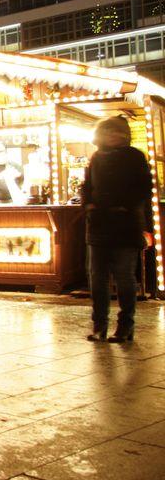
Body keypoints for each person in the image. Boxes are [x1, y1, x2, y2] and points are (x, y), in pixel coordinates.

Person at [82, 116, 152, 343]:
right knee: (97, 279)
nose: (113, 136)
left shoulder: (135, 156)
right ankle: (99, 325)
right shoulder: (96, 158)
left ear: (124, 134)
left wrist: (123, 206)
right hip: (99, 226)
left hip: (125, 226)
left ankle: (125, 326)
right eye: (108, 131)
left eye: (117, 131)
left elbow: (143, 189)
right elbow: (87, 187)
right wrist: (89, 205)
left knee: (124, 278)